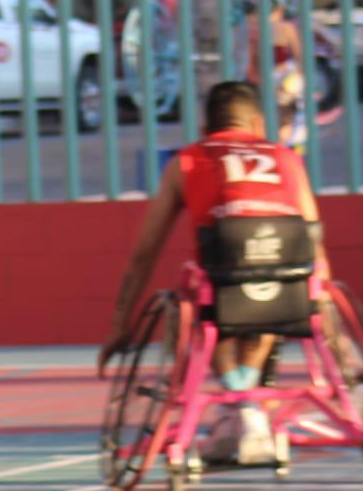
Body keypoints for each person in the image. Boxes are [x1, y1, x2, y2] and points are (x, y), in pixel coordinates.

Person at [98, 80, 330, 464]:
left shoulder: (188, 160)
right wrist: (322, 300)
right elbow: (313, 236)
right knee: (278, 272)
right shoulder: (287, 158)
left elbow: (144, 254)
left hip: (222, 289)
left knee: (200, 287)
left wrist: (120, 325)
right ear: (257, 125)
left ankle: (235, 402)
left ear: (207, 128)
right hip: (285, 290)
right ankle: (247, 403)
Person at [247, 0, 307, 149]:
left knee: (272, 115)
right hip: (283, 78)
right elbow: (299, 55)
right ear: (278, 10)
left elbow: (253, 61)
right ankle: (286, 146)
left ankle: (278, 145)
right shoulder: (285, 28)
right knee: (286, 115)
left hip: (271, 80)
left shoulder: (258, 31)